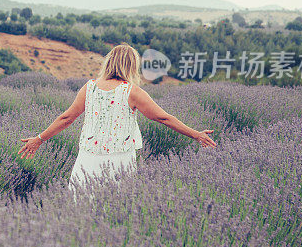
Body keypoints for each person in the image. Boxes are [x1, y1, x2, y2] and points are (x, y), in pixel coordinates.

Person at [18, 43, 217, 195]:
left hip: (87, 158)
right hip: (119, 160)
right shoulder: (132, 92)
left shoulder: (90, 87)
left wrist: (39, 139)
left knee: (80, 207)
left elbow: (66, 118)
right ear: (132, 66)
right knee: (113, 206)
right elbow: (163, 118)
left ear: (109, 62)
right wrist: (196, 135)